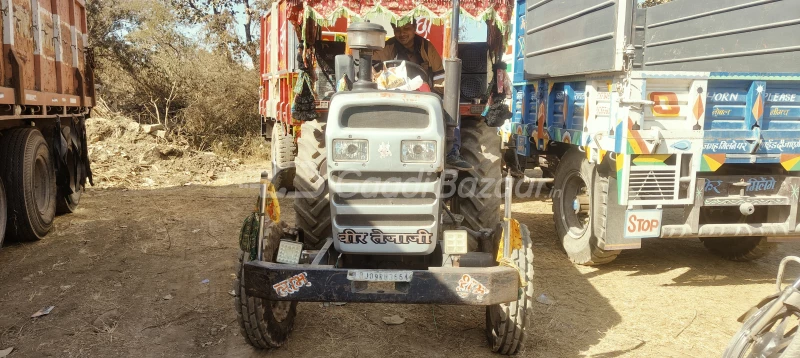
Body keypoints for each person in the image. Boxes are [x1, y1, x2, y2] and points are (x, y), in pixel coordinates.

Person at [372, 20, 472, 171]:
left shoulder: (426, 47)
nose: (402, 33)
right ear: (392, 29)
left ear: (415, 28)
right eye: (398, 30)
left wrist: (436, 92)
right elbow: (374, 73)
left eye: (406, 28)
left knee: (452, 105)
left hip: (424, 95)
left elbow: (440, 78)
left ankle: (451, 152)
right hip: (392, 94)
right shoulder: (386, 47)